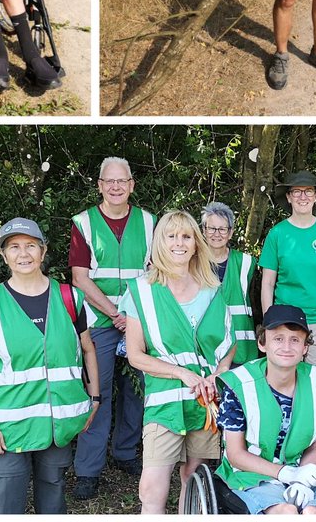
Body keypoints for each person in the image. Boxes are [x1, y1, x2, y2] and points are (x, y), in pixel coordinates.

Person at [0, 218, 101, 515]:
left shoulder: (70, 297)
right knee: (6, 504)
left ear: (43, 251)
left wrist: (94, 397)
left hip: (57, 426)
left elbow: (88, 349)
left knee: (53, 501)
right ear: (3, 255)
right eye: (13, 247)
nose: (23, 253)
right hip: (8, 429)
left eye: (30, 245)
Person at [122, 210, 235, 513]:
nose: (179, 243)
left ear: (196, 243)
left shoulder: (212, 290)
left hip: (204, 402)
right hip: (165, 404)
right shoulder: (142, 291)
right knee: (151, 488)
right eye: (171, 236)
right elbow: (135, 355)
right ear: (159, 242)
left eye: (186, 236)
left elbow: (227, 347)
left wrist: (218, 375)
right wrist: (180, 374)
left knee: (194, 481)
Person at [69, 157, 156, 499]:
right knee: (96, 394)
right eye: (110, 181)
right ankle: (88, 471)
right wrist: (116, 314)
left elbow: (156, 272)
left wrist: (132, 316)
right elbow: (80, 278)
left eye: (123, 181)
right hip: (100, 324)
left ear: (132, 185)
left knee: (137, 390)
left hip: (138, 321)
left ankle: (125, 453)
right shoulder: (84, 222)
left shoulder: (149, 222)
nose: (116, 187)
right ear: (100, 185)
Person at [216, 304, 316, 515]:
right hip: (250, 474)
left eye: (295, 339)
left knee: (313, 512)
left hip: (302, 471)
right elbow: (236, 454)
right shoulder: (239, 385)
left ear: (305, 348)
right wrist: (286, 474)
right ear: (262, 343)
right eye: (278, 338)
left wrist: (302, 480)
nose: (287, 347)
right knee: (287, 512)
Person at [260, 173, 316, 372]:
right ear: (288, 197)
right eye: (297, 191)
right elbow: (267, 283)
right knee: (285, 382)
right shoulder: (277, 234)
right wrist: (269, 322)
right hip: (286, 321)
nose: (303, 197)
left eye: (308, 191)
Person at [202, 202, 259, 364]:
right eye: (211, 228)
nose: (217, 234)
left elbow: (257, 306)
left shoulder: (247, 263)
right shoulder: (192, 262)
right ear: (204, 230)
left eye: (222, 229)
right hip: (204, 348)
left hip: (241, 350)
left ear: (231, 232)